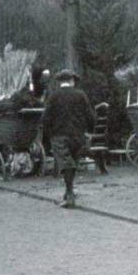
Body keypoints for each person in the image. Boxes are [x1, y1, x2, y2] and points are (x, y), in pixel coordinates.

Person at [42, 69, 95, 208]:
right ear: (72, 81)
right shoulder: (80, 95)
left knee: (66, 164)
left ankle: (70, 194)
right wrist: (89, 131)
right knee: (73, 162)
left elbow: (46, 118)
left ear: (60, 82)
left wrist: (49, 134)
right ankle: (68, 192)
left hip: (60, 135)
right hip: (78, 136)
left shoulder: (54, 96)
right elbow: (90, 116)